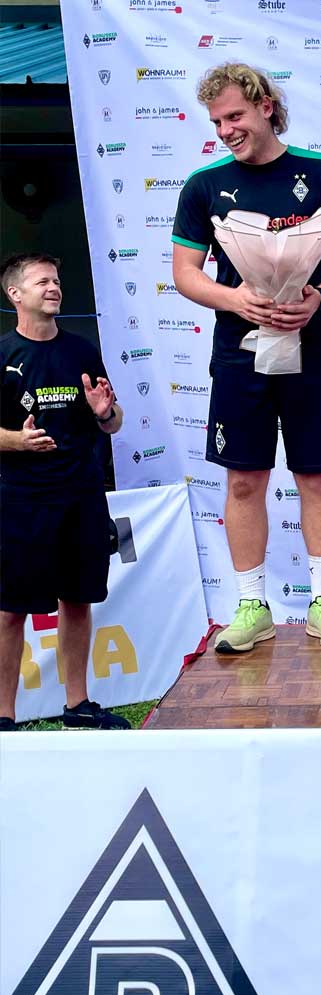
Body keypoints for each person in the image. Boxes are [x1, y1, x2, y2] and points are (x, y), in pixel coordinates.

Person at [172, 63, 321, 653]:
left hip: (314, 348)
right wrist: (235, 299)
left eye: (234, 116)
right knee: (243, 481)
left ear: (265, 106)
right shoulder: (203, 185)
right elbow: (185, 274)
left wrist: (319, 297)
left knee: (316, 475)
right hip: (239, 354)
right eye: (216, 122)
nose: (225, 130)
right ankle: (251, 606)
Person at [0, 252, 129, 731]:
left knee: (77, 600)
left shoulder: (81, 351)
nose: (53, 288)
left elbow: (114, 422)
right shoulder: (3, 354)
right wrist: (15, 441)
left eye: (56, 280)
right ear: (15, 294)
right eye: (42, 282)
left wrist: (104, 412)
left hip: (81, 495)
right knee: (11, 609)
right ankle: (3, 716)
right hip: (21, 498)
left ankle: (78, 706)